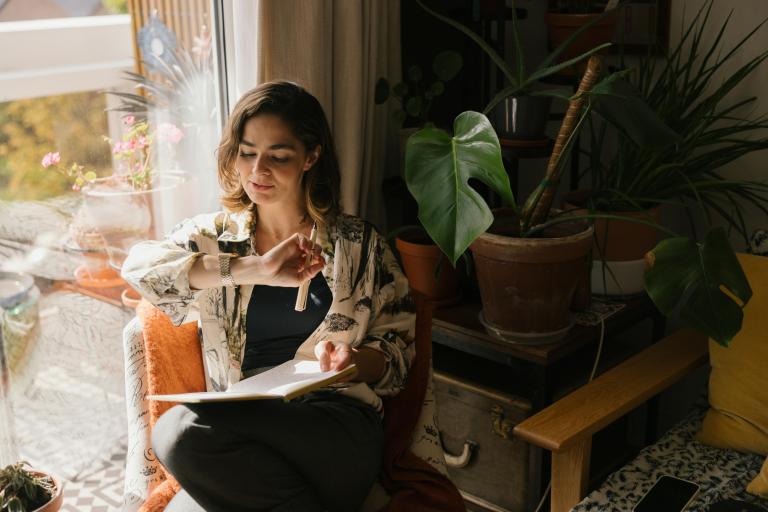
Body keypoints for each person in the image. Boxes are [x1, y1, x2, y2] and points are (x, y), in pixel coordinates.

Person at [121, 81, 416, 512]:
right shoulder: (214, 238)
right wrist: (248, 268)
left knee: (180, 435)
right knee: (175, 434)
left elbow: (400, 356)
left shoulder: (360, 246)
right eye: (246, 152)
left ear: (310, 157)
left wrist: (352, 363)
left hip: (334, 429)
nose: (258, 169)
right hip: (242, 431)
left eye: (278, 156)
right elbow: (139, 267)